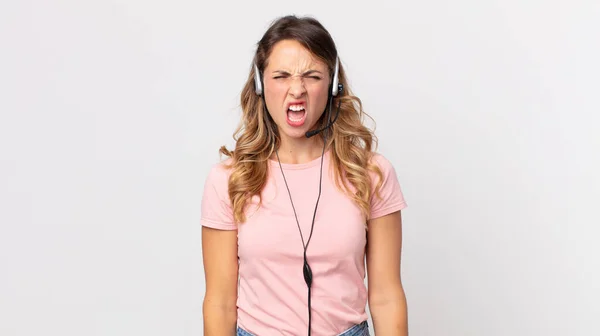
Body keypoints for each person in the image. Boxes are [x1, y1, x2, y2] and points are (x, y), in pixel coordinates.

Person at [201, 15, 408, 336]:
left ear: (333, 84)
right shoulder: (229, 179)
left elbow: (386, 296)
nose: (296, 89)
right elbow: (220, 301)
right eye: (281, 76)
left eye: (312, 76)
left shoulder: (372, 173)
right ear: (260, 84)